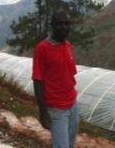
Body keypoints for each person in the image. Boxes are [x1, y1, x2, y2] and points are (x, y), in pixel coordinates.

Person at [32, 9, 79, 148]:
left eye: (67, 23)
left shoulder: (68, 46)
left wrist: (74, 101)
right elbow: (37, 81)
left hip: (73, 105)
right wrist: (43, 112)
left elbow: (69, 75)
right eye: (60, 24)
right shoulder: (42, 49)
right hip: (56, 109)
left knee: (70, 144)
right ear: (52, 25)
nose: (64, 27)